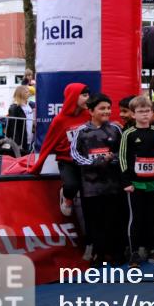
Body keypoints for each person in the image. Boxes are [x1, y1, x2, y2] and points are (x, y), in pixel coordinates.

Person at [70, 93, 125, 266]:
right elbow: (75, 155)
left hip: (113, 186)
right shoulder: (81, 131)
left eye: (109, 108)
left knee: (115, 220)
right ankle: (99, 254)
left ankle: (116, 253)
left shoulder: (116, 129)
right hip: (91, 187)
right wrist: (96, 161)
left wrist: (112, 158)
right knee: (95, 222)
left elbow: (123, 153)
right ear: (91, 111)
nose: (107, 111)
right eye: (102, 108)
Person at [31, 83, 91, 218]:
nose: (88, 98)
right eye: (84, 95)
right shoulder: (59, 120)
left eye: (88, 95)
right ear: (73, 97)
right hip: (66, 160)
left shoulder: (89, 115)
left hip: (86, 161)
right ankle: (66, 196)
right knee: (71, 185)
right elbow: (48, 143)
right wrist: (37, 167)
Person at [119, 96, 154, 267]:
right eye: (140, 112)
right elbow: (122, 158)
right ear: (133, 114)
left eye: (147, 111)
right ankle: (134, 252)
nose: (145, 115)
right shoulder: (128, 134)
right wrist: (126, 182)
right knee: (136, 218)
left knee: (153, 218)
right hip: (135, 184)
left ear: (153, 113)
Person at [5, 85, 34, 154]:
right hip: (20, 140)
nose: (29, 94)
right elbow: (13, 126)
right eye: (26, 92)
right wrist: (17, 142)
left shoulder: (29, 106)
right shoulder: (14, 108)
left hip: (29, 138)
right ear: (21, 93)